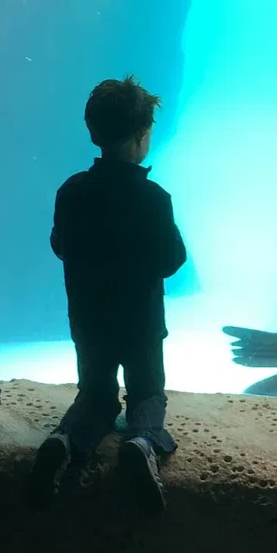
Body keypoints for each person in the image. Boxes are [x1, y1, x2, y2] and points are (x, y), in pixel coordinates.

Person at [27, 75, 187, 515]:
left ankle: (65, 441)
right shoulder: (154, 197)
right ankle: (142, 440)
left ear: (93, 133)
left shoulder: (72, 191)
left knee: (95, 395)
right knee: (147, 391)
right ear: (142, 138)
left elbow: (61, 246)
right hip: (141, 323)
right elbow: (172, 260)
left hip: (89, 320)